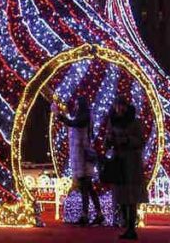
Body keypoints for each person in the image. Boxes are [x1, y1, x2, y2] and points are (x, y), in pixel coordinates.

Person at [54, 96, 103, 226]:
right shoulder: (82, 117)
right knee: (88, 187)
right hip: (80, 156)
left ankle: (85, 215)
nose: (75, 107)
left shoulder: (85, 117)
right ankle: (98, 214)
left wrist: (58, 115)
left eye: (77, 104)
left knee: (85, 187)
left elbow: (73, 123)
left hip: (84, 156)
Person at [105, 96, 146, 240]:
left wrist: (127, 140)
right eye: (117, 106)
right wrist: (109, 140)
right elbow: (107, 138)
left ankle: (131, 228)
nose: (119, 109)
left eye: (122, 106)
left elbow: (141, 140)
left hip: (131, 162)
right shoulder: (112, 121)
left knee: (131, 196)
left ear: (126, 107)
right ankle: (126, 224)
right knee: (120, 195)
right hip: (118, 161)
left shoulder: (135, 122)